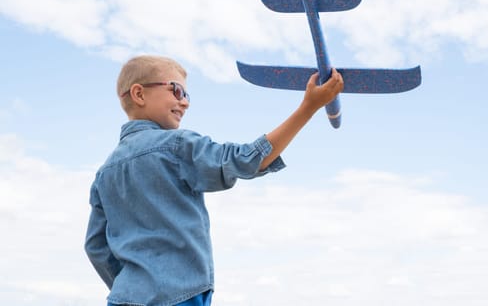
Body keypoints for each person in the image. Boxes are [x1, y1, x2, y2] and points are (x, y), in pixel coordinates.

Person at [84, 55, 344, 306]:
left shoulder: (104, 173)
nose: (185, 102)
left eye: (186, 95)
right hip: (179, 296)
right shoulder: (175, 146)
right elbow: (246, 159)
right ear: (139, 94)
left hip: (123, 298)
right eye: (176, 91)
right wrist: (308, 107)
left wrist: (134, 286)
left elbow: (95, 246)